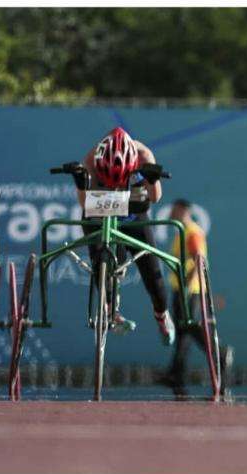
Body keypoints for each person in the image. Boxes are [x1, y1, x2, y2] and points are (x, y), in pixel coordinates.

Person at [75, 127, 176, 346]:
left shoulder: (144, 156)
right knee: (104, 260)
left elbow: (156, 197)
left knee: (154, 278)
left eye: (121, 180)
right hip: (101, 213)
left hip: (134, 214)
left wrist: (151, 179)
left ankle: (161, 315)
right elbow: (84, 203)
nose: (117, 185)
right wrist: (80, 182)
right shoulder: (91, 160)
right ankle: (110, 308)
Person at [166, 198, 210, 397]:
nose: (171, 213)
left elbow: (199, 259)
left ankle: (220, 352)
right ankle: (175, 372)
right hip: (181, 288)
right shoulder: (181, 232)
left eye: (175, 209)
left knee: (189, 326)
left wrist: (187, 284)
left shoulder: (192, 232)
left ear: (183, 210)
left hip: (189, 290)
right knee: (183, 331)